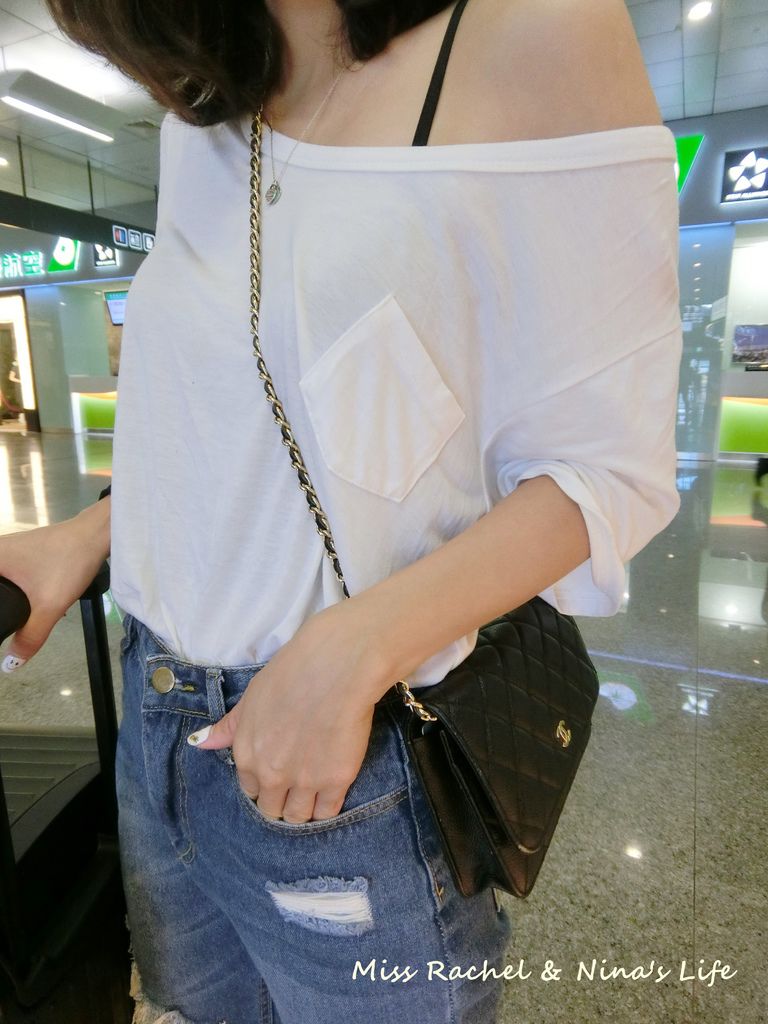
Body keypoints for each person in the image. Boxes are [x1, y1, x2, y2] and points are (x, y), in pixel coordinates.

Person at [0, 0, 683, 1021]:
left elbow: (609, 471)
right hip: (156, 716)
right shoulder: (203, 110)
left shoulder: (532, 29)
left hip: (344, 741)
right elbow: (228, 413)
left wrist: (355, 648)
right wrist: (87, 535)